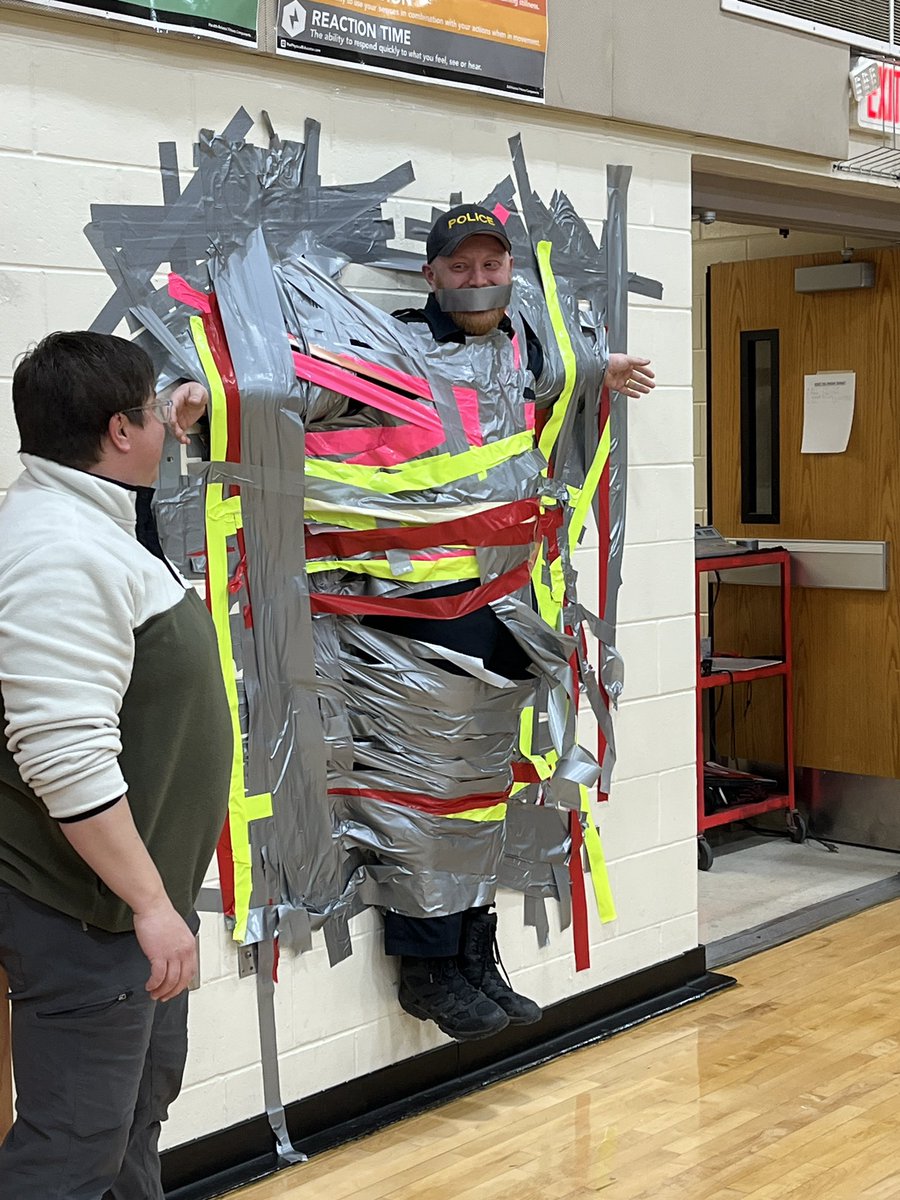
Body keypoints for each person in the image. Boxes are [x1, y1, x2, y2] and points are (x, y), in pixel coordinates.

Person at [365, 205, 656, 1041]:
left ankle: (468, 949)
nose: (478, 278)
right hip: (426, 605)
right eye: (461, 266)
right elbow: (304, 381)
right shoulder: (388, 345)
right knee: (430, 782)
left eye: (491, 265)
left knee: (486, 774)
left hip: (507, 603)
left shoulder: (526, 346)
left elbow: (563, 373)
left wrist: (605, 367)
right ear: (432, 276)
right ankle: (425, 963)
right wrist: (206, 393)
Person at [0, 331, 232, 1199]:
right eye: (152, 415)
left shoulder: (87, 513)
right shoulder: (57, 552)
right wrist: (148, 905)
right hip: (89, 911)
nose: (168, 430)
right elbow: (63, 756)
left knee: (135, 1115)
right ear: (117, 430)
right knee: (73, 1150)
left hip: (134, 910)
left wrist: (156, 905)